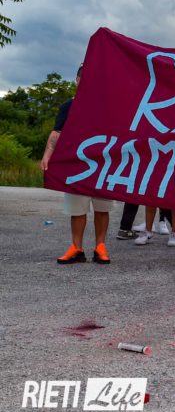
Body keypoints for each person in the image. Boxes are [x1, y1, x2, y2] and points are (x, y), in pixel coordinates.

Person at [41, 64, 113, 264]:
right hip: (76, 166)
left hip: (102, 165)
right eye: (83, 78)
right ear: (77, 80)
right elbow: (57, 132)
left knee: (102, 208)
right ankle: (76, 247)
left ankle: (100, 246)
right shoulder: (68, 106)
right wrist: (47, 155)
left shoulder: (106, 105)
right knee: (77, 209)